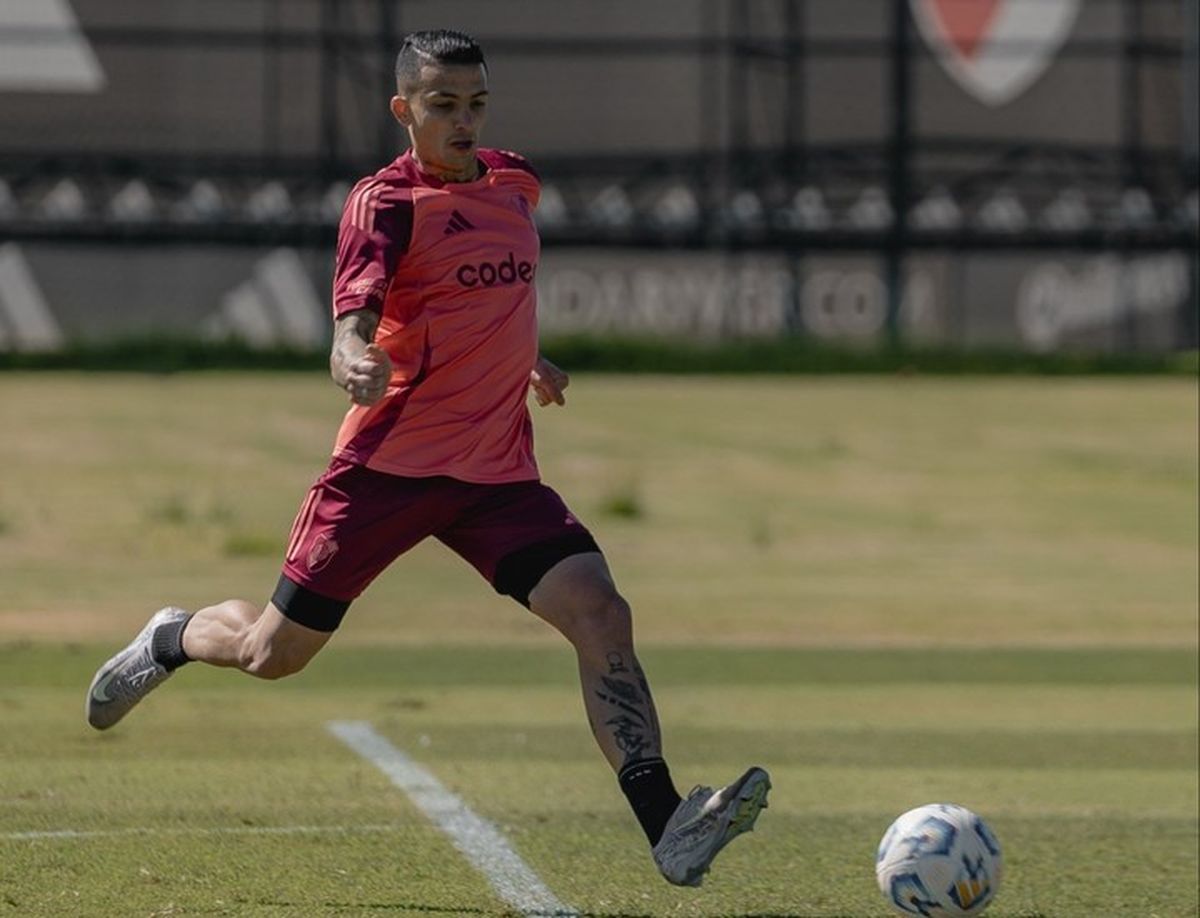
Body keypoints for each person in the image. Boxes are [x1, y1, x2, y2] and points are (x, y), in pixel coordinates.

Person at [85, 29, 769, 888]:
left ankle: (666, 823)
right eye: (443, 104)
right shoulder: (386, 203)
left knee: (601, 613)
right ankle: (174, 635)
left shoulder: (516, 181)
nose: (463, 120)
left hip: (495, 475)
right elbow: (353, 318)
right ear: (403, 110)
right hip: (387, 471)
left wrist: (526, 359)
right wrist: (350, 360)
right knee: (271, 654)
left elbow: (483, 292)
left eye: (475, 103)